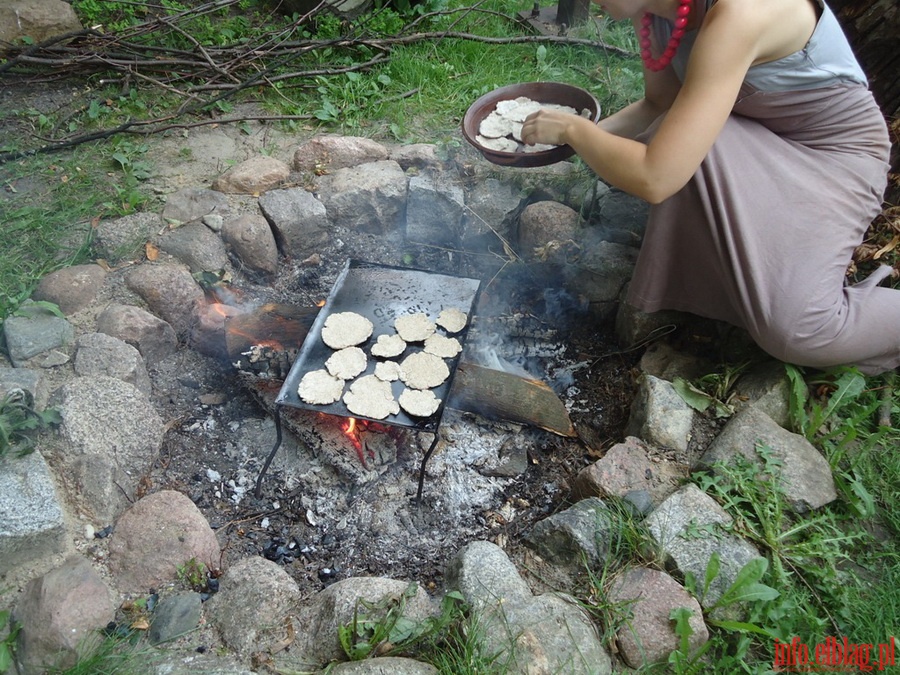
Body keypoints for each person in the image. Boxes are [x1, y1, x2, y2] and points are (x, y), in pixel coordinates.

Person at [520, 0, 899, 375]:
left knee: (798, 332)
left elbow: (656, 179)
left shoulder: (741, 14)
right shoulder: (653, 9)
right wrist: (566, 143)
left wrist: (576, 130)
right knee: (664, 141)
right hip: (756, 137)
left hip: (834, 160)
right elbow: (660, 104)